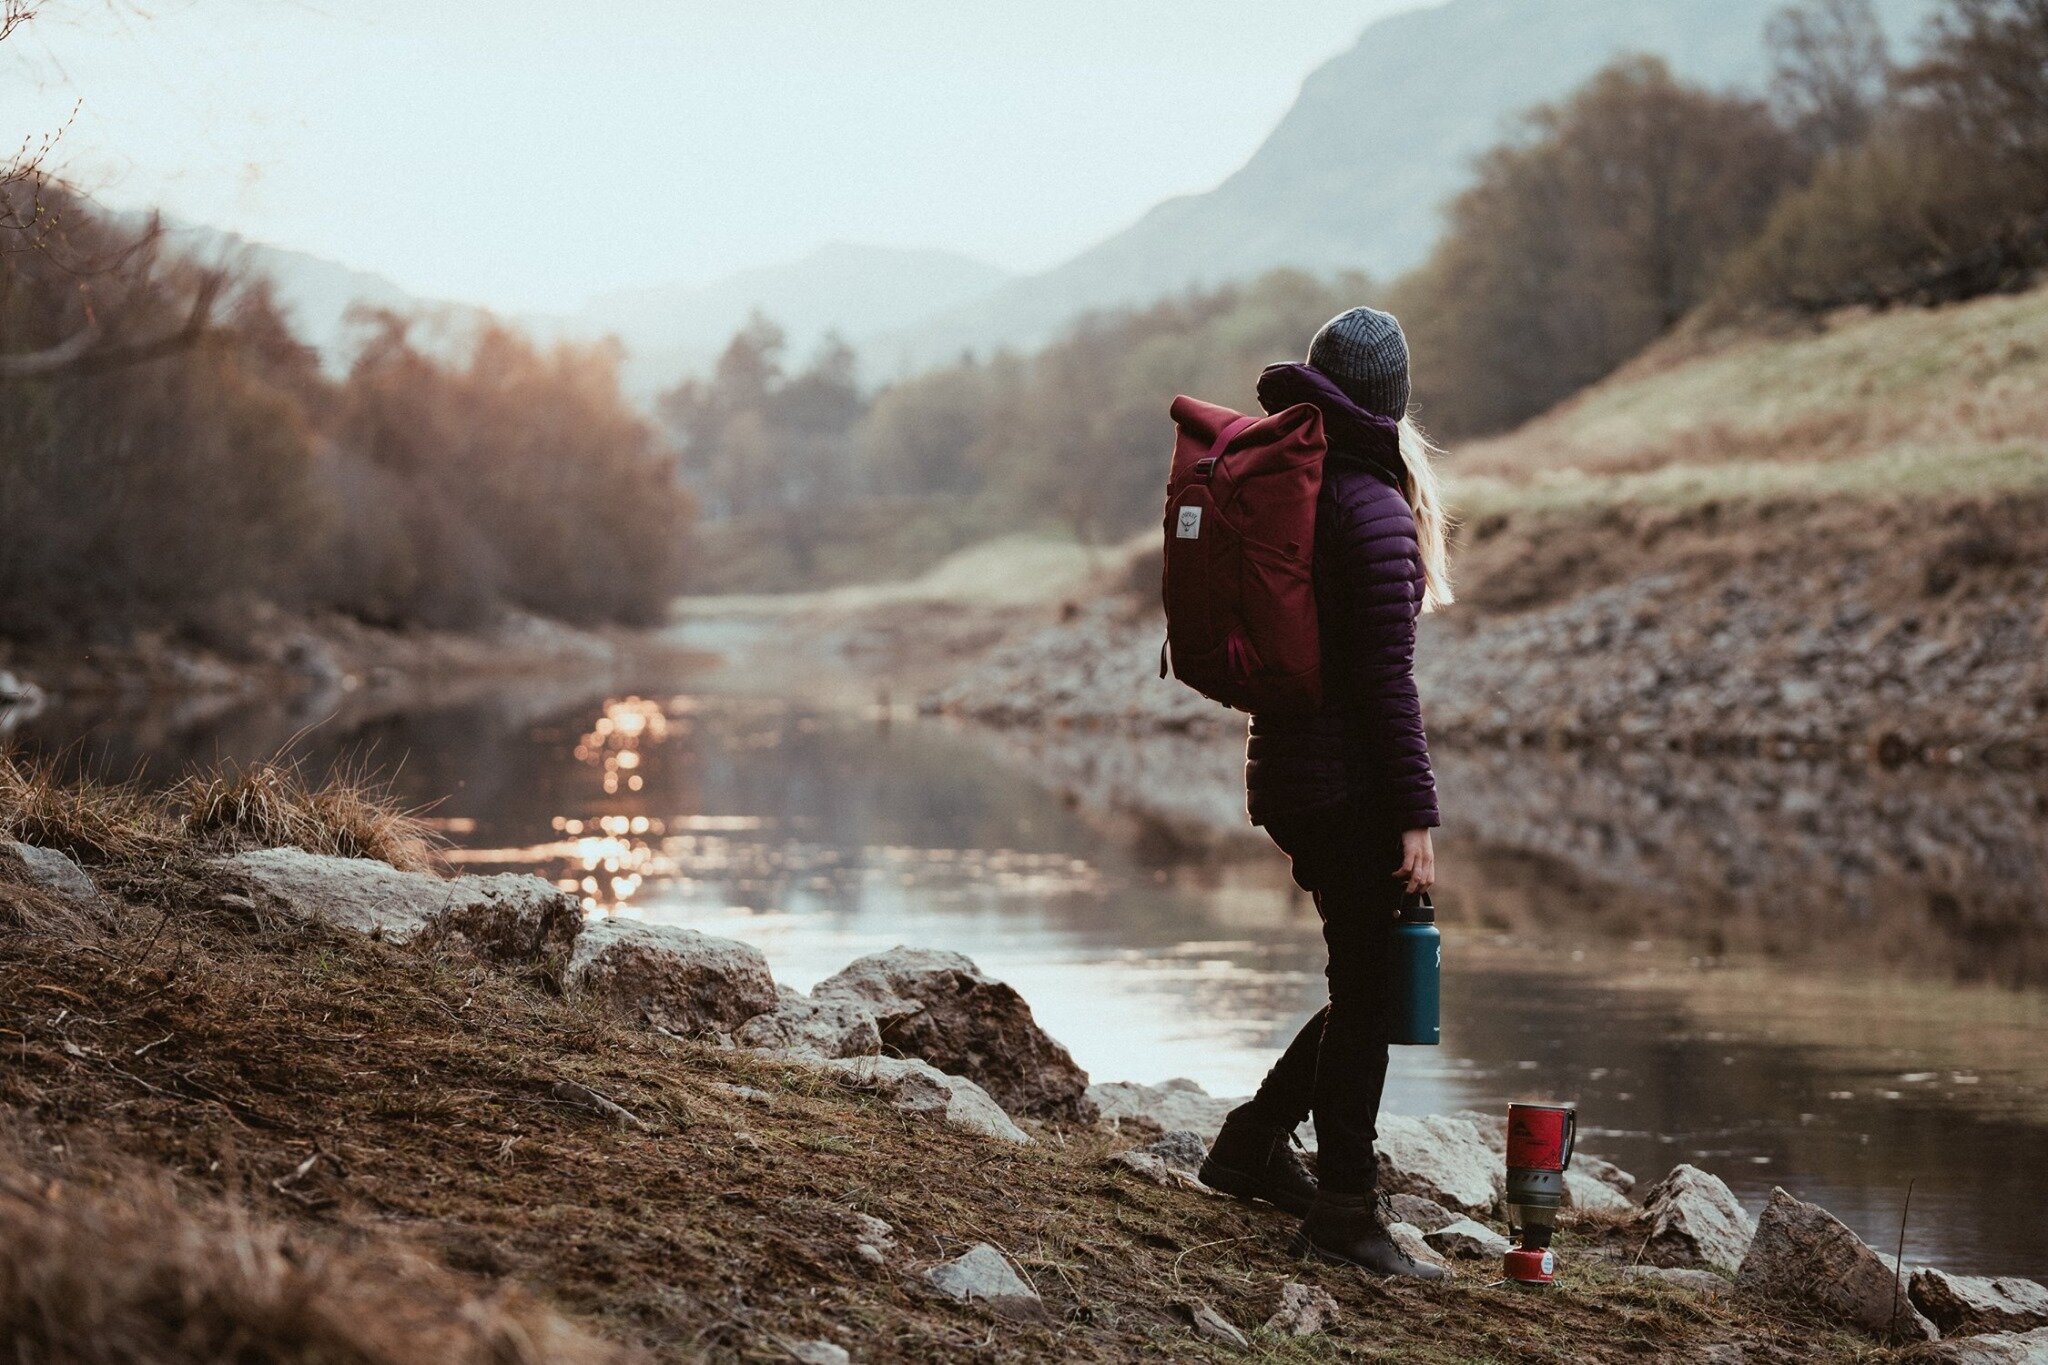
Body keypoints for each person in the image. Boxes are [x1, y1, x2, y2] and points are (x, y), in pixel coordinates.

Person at [1196, 306, 1455, 1278]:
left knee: (1364, 982)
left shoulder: (1304, 491)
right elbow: (1386, 680)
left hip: (1290, 771)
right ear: (1389, 402)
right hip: (1341, 781)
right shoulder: (1374, 506)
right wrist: (1413, 814)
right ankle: (1343, 1210)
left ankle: (1251, 1144)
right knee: (1369, 988)